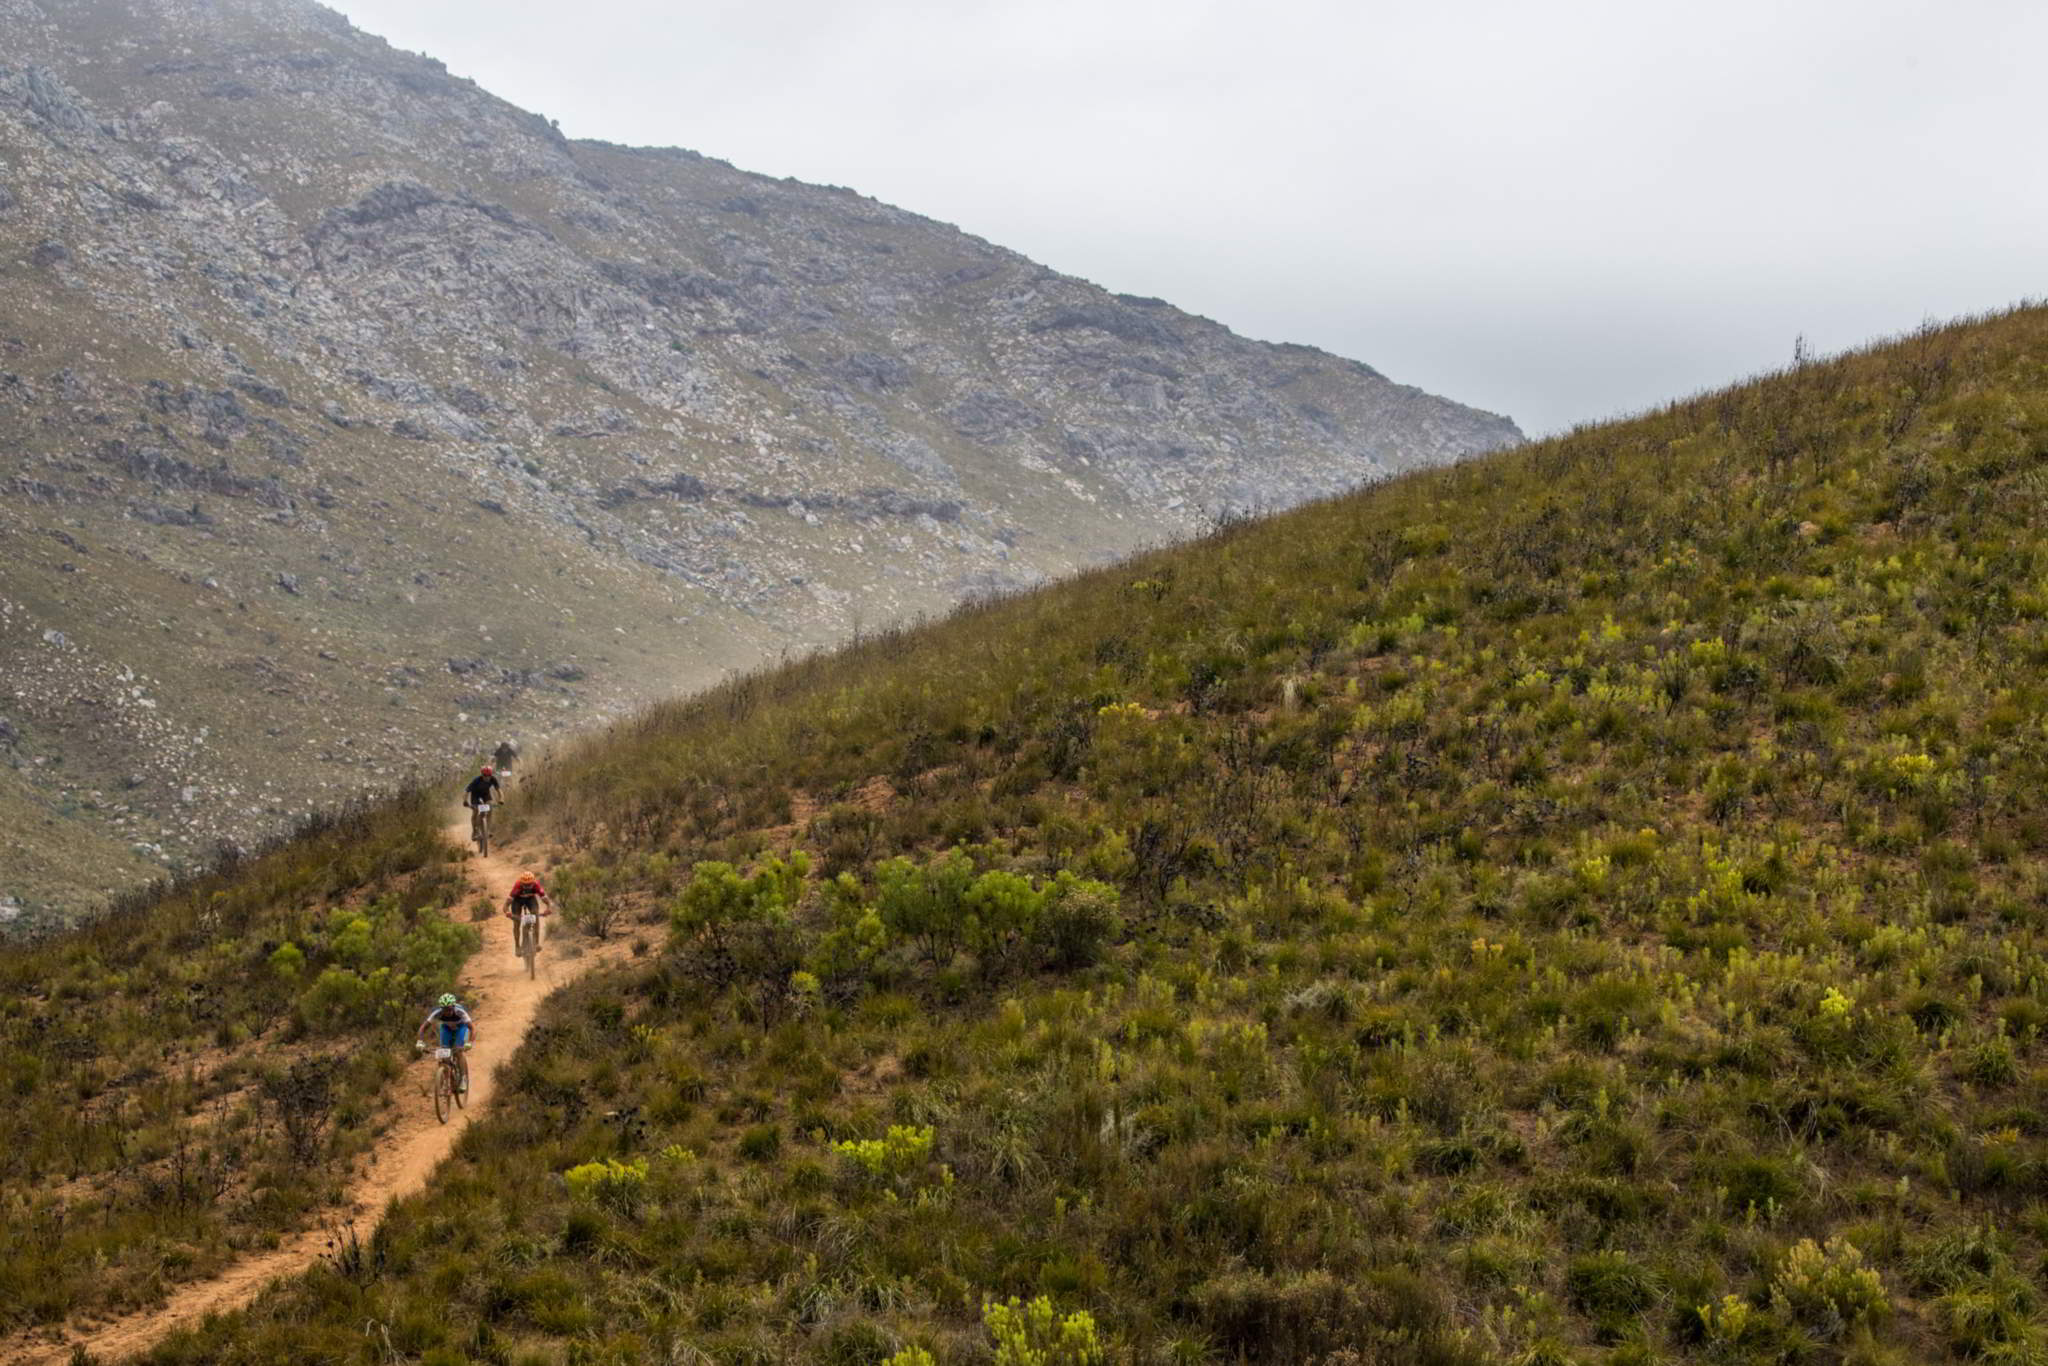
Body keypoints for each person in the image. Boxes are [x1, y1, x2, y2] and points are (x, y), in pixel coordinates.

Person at [416, 992, 474, 1093]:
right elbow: (423, 1028)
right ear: (441, 1008)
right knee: (444, 1052)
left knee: (458, 1050)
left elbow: (472, 1028)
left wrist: (469, 1042)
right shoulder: (437, 1013)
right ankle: (446, 1082)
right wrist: (419, 1041)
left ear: (453, 1006)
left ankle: (463, 1079)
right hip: (446, 1028)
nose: (447, 1011)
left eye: (449, 1009)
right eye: (444, 1009)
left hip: (461, 1027)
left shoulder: (460, 1011)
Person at [505, 869, 552, 958]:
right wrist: (507, 912)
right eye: (525, 885)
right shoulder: (517, 886)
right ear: (521, 883)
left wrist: (548, 908)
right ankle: (517, 946)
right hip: (517, 901)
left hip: (530, 900)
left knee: (536, 916)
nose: (527, 886)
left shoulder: (536, 885)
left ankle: (536, 943)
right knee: (516, 923)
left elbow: (546, 900)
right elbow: (506, 904)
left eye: (529, 884)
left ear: (533, 882)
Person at [464, 765, 501, 844]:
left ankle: (488, 830)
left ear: (491, 775)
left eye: (489, 776)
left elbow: (499, 791)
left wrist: (501, 799)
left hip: (485, 795)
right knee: (475, 811)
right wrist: (465, 801)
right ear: (482, 774)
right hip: (475, 796)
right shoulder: (476, 780)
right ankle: (474, 831)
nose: (487, 777)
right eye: (485, 776)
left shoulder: (493, 779)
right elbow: (466, 791)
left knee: (490, 808)